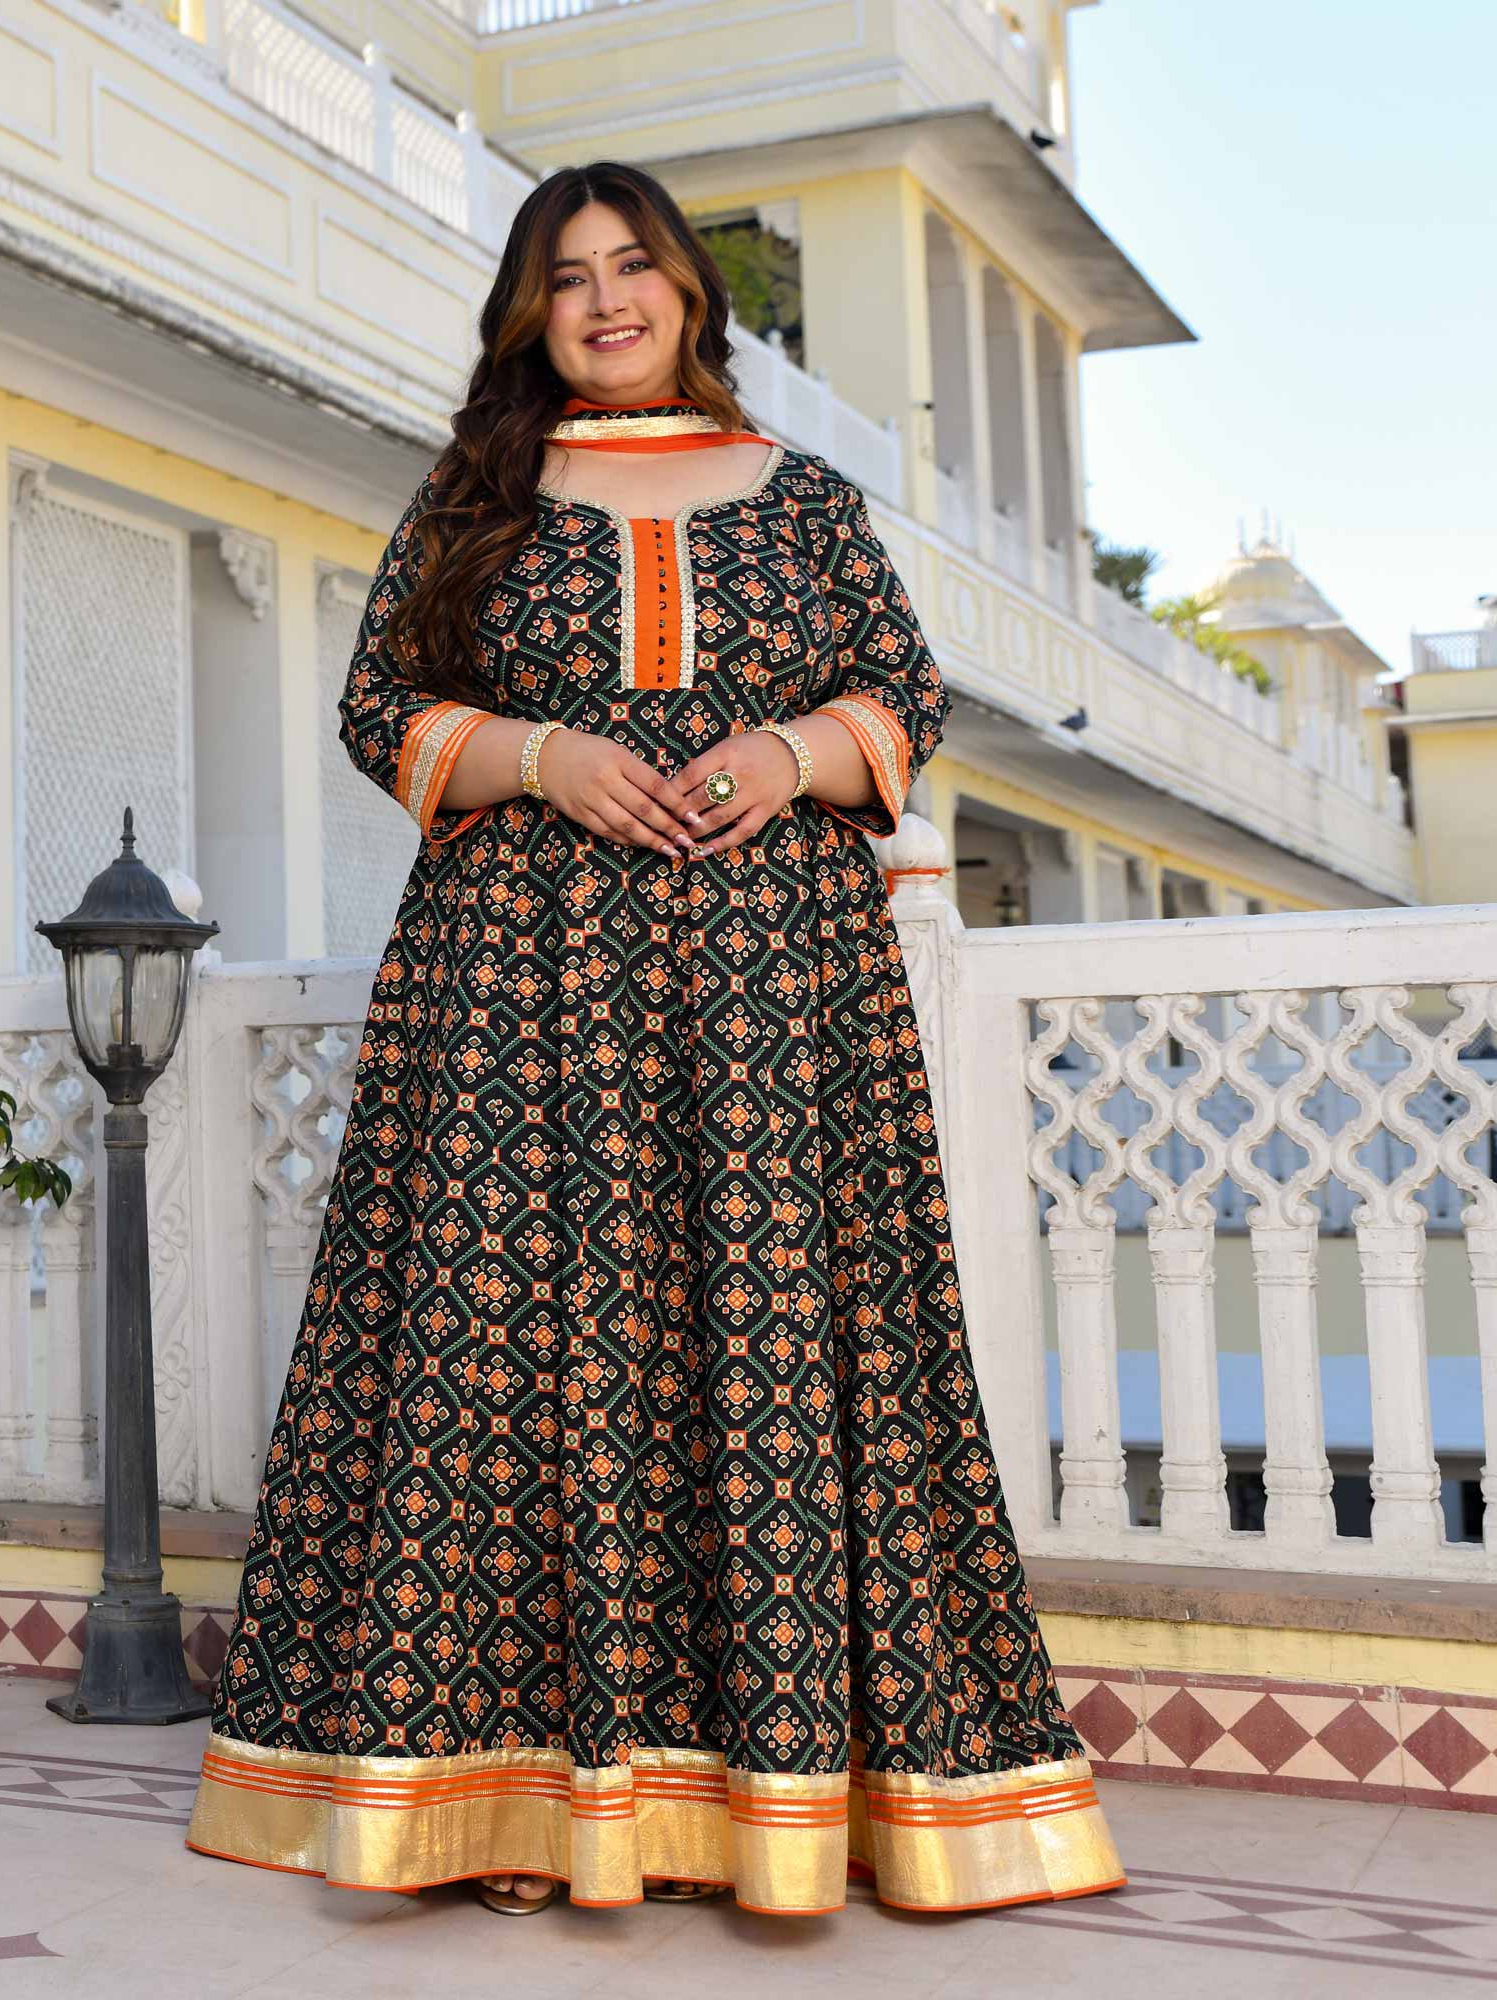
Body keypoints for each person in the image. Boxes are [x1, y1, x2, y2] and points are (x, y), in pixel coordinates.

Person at [184, 160, 1125, 1921]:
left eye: (635, 268)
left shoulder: (810, 499)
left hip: (773, 1014)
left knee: (762, 1354)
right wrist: (544, 757)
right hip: (513, 1007)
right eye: (567, 276)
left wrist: (787, 752)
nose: (606, 300)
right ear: (529, 312)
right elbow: (378, 705)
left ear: (691, 293)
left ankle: (779, 1802)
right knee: (516, 1362)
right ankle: (514, 1800)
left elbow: (907, 696)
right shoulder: (481, 496)